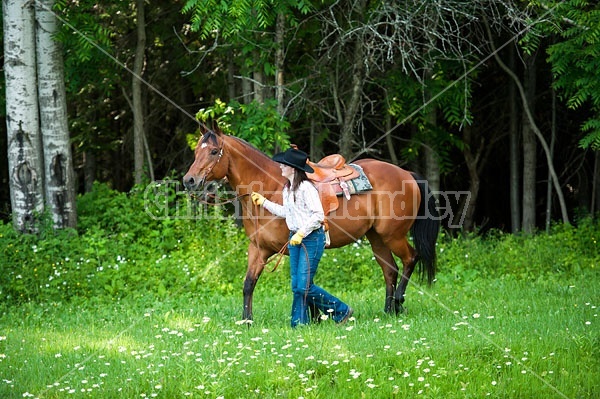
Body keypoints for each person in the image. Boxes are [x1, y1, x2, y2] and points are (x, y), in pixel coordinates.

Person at [251, 147, 353, 328]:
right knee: (297, 286)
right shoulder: (288, 189)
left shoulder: (306, 188)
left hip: (311, 239)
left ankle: (341, 310)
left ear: (293, 168)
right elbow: (286, 212)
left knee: (303, 286)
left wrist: (301, 233)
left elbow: (318, 215)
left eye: (284, 164)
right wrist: (264, 202)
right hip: (295, 239)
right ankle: (299, 324)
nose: (280, 166)